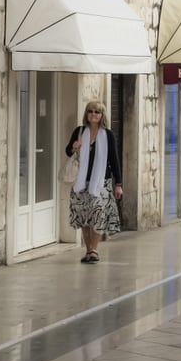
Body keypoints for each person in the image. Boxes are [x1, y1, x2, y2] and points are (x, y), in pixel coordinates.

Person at [65, 101, 123, 264]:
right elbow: (68, 150)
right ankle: (88, 250)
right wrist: (73, 147)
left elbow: (114, 159)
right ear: (86, 114)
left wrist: (118, 184)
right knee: (84, 216)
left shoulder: (108, 135)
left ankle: (94, 250)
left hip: (101, 182)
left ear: (102, 115)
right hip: (80, 182)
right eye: (90, 111)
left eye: (97, 112)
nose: (93, 114)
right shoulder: (80, 131)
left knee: (97, 214)